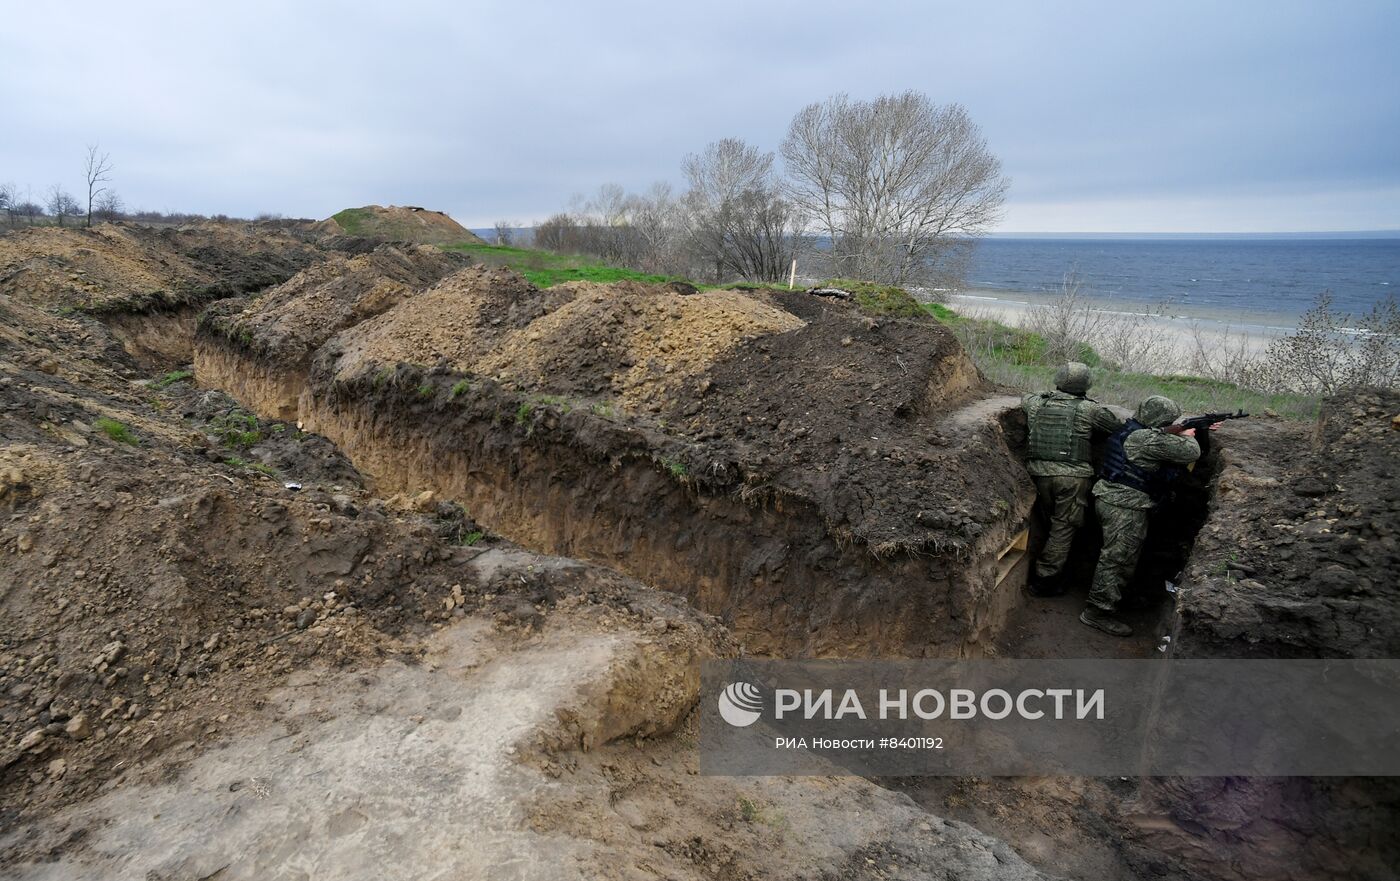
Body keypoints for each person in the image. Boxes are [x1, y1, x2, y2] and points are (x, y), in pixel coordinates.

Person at [1082, 394, 1201, 637]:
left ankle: (1113, 598)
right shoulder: (1144, 439)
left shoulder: (1131, 429)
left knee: (1121, 557)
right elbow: (1192, 452)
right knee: (1117, 559)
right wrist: (1187, 435)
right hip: (1124, 506)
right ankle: (1098, 612)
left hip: (1114, 499)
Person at [1020, 362, 1123, 597]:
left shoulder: (1037, 404)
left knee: (1051, 526)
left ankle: (1050, 570)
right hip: (1073, 479)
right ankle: (1046, 580)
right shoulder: (1089, 410)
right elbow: (1116, 427)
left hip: (1038, 475)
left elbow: (1026, 398)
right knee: (1063, 529)